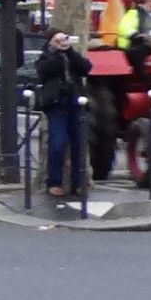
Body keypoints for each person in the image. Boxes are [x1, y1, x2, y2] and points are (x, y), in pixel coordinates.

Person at [36, 28, 92, 197]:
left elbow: (86, 68)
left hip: (76, 103)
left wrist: (69, 51)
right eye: (56, 40)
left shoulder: (71, 55)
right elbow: (45, 72)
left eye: (63, 39)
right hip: (56, 104)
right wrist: (57, 53)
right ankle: (53, 181)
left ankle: (78, 183)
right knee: (57, 144)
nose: (61, 43)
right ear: (50, 42)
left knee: (78, 144)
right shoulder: (44, 57)